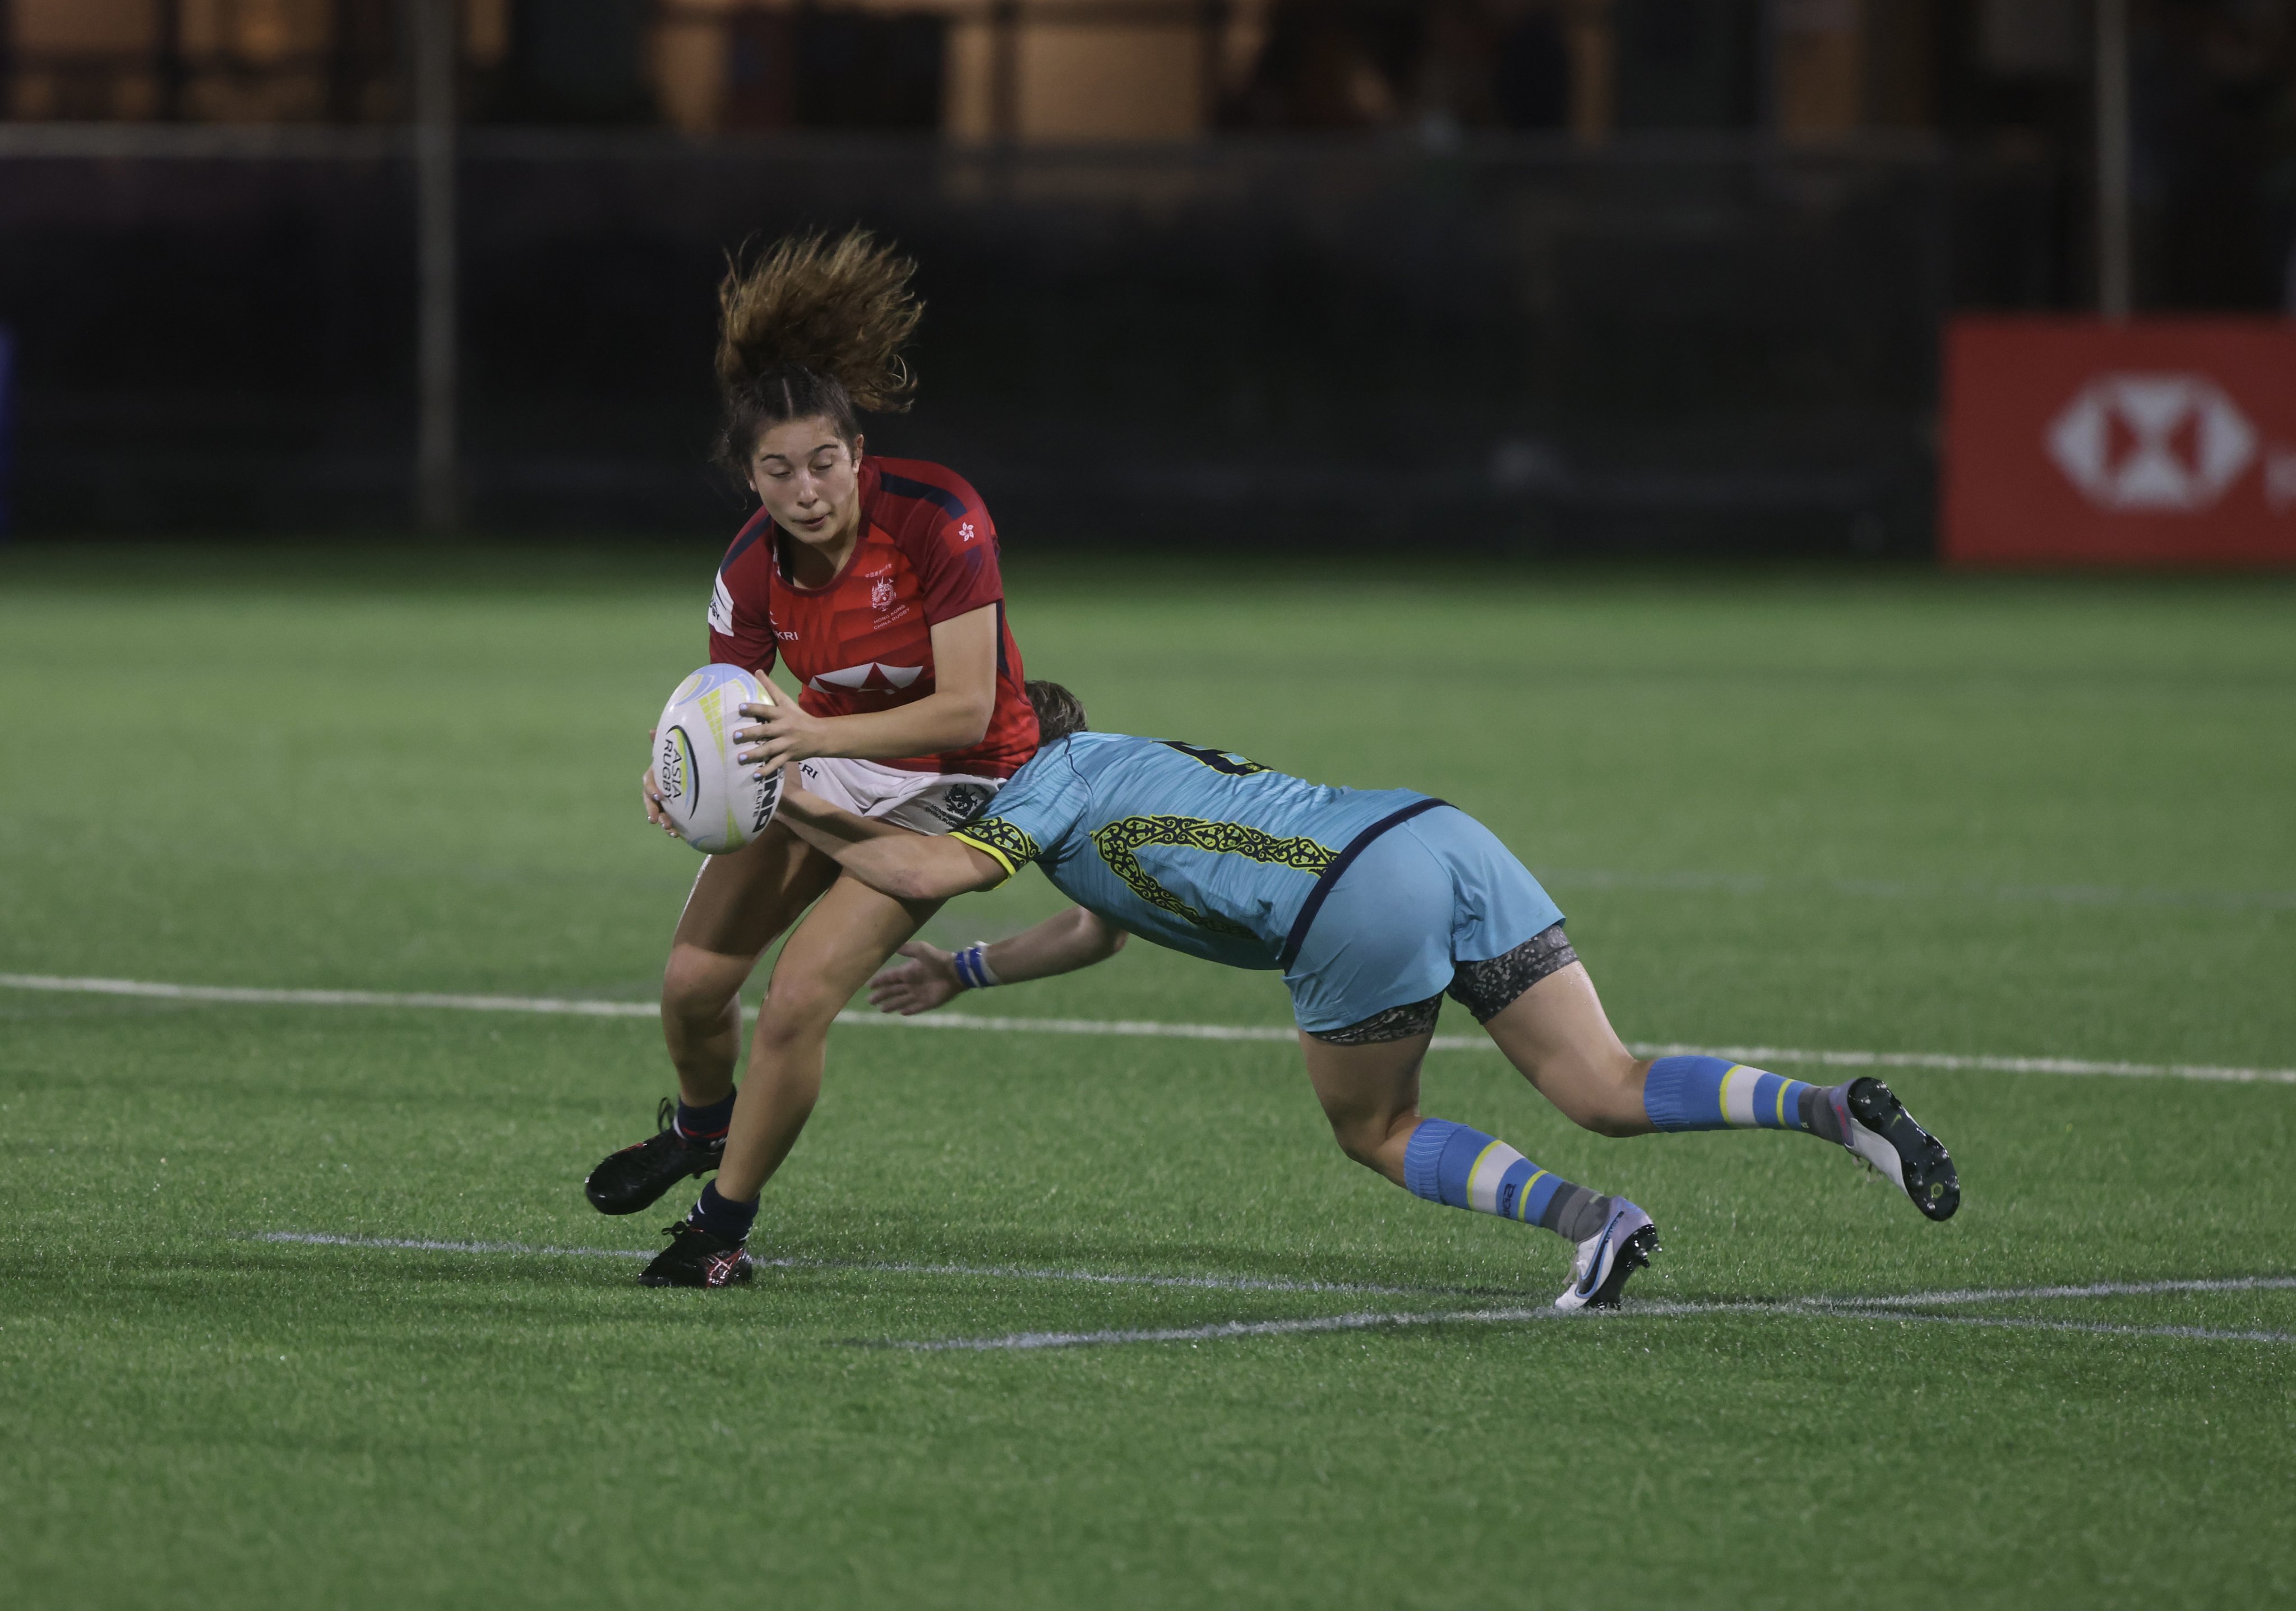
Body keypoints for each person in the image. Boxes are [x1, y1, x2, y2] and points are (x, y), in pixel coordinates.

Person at [640, 681, 1960, 1297]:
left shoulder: (1039, 780)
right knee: (1601, 1082)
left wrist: (789, 799)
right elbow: (1098, 930)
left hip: (1346, 905)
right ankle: (1833, 1112)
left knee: (1372, 1127)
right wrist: (968, 971)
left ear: (1009, 742)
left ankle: (1589, 1225)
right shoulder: (1109, 785)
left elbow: (930, 857)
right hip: (1438, 836)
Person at [584, 229, 1041, 1254]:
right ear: (750, 477)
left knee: (796, 997)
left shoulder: (940, 518)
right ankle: (705, 1129)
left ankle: (719, 1234)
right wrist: (679, 775)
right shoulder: (749, 567)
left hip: (964, 782)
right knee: (694, 984)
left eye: (825, 463)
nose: (808, 491)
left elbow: (969, 709)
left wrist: (798, 737)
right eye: (780, 470)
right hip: (828, 754)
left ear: (858, 455)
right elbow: (726, 711)